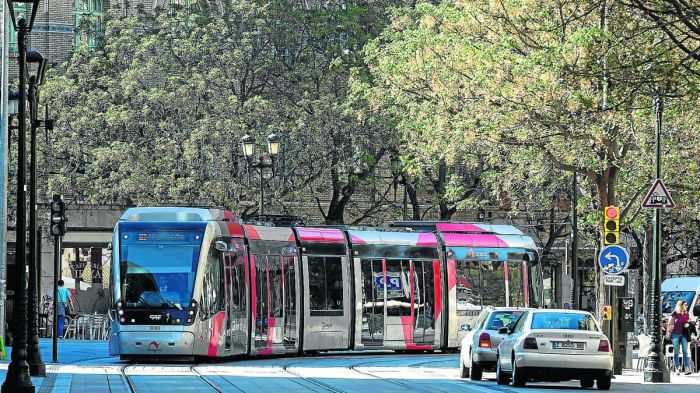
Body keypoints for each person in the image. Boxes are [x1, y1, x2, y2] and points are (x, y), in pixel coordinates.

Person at [666, 299, 691, 375]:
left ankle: (686, 369)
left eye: (687, 305)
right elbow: (669, 323)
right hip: (675, 334)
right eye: (685, 305)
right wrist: (668, 331)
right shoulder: (675, 313)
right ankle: (677, 369)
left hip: (683, 334)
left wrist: (687, 324)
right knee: (676, 352)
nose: (687, 306)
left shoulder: (686, 313)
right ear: (681, 305)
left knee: (685, 351)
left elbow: (687, 323)